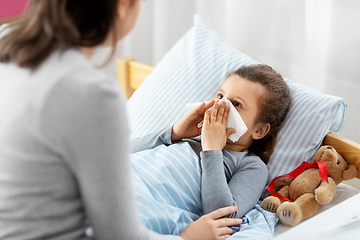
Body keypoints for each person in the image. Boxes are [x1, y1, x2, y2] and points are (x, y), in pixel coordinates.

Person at [0, 0, 241, 239]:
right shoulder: (92, 93)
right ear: (123, 4)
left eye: (237, 104)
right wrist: (186, 238)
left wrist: (172, 133)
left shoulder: (8, 42)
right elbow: (119, 235)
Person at [131, 64, 291, 218]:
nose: (220, 105)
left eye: (236, 104)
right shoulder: (187, 137)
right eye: (220, 96)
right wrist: (174, 132)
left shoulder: (250, 165)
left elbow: (223, 214)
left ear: (259, 130)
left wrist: (212, 150)